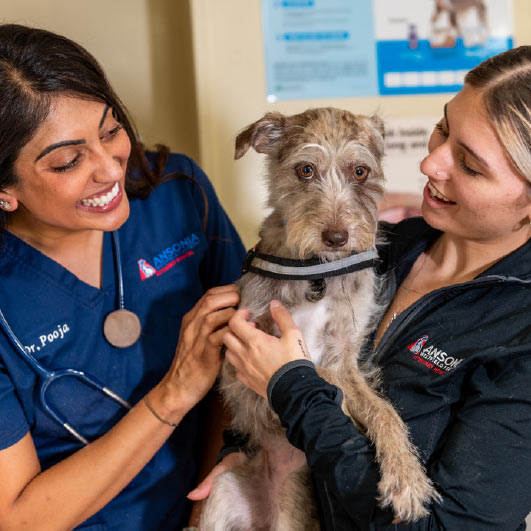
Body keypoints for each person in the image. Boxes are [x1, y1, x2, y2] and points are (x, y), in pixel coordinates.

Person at [198, 46, 531, 530]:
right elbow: (262, 368)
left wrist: (292, 386)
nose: (429, 165)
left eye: (471, 165)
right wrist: (241, 450)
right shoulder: (386, 249)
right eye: (442, 130)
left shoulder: (520, 329)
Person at [0, 24, 245, 530]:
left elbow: (238, 363)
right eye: (69, 160)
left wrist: (207, 509)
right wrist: (172, 395)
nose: (110, 170)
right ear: (5, 190)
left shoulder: (177, 194)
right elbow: (18, 519)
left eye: (110, 131)